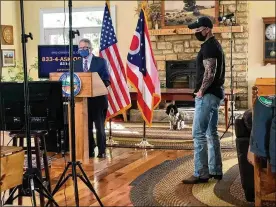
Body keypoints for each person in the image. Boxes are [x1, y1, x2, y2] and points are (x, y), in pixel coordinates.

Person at [182, 16, 226, 184]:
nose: (196, 32)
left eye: (198, 29)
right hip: (215, 94)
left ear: (207, 29)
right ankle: (215, 170)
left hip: (207, 95)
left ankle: (201, 173)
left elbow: (210, 72)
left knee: (198, 133)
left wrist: (200, 91)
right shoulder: (214, 45)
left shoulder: (209, 47)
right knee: (211, 133)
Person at [74, 38, 110, 158]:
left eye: (85, 48)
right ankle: (89, 149)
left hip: (98, 100)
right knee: (86, 127)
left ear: (90, 49)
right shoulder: (75, 64)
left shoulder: (100, 62)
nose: (82, 50)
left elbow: (106, 80)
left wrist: (95, 86)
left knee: (99, 127)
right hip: (83, 101)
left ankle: (102, 150)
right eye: (80, 48)